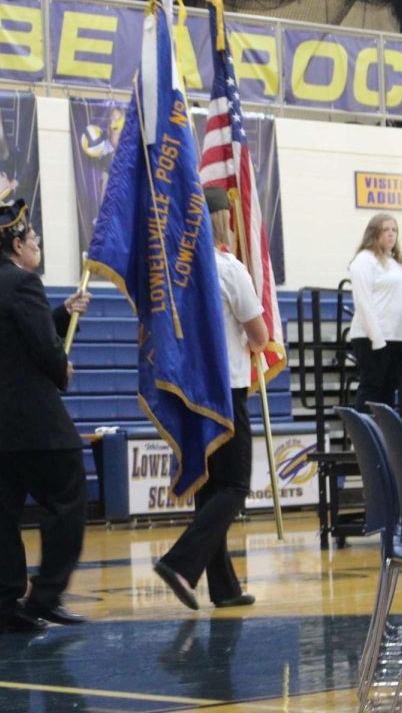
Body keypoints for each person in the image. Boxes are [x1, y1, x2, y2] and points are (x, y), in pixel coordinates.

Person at [0, 198, 93, 634]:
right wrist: (63, 367)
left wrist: (61, 313)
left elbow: (15, 337)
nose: (36, 244)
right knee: (67, 496)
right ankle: (46, 596)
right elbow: (43, 350)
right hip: (37, 422)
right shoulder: (25, 284)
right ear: (17, 244)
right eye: (33, 237)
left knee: (4, 514)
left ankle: (2, 604)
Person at [154, 186, 268, 611]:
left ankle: (224, 588)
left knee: (209, 487)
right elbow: (257, 335)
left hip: (189, 391)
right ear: (225, 221)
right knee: (235, 486)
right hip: (226, 389)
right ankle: (180, 562)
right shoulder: (228, 268)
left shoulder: (175, 272)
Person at [348, 213, 402, 416]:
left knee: (388, 393)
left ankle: (383, 442)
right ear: (374, 233)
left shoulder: (398, 263)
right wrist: (377, 339)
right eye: (386, 230)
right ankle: (364, 442)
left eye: (394, 230)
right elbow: (363, 302)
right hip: (372, 337)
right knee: (371, 389)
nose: (391, 235)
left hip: (396, 337)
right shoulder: (364, 260)